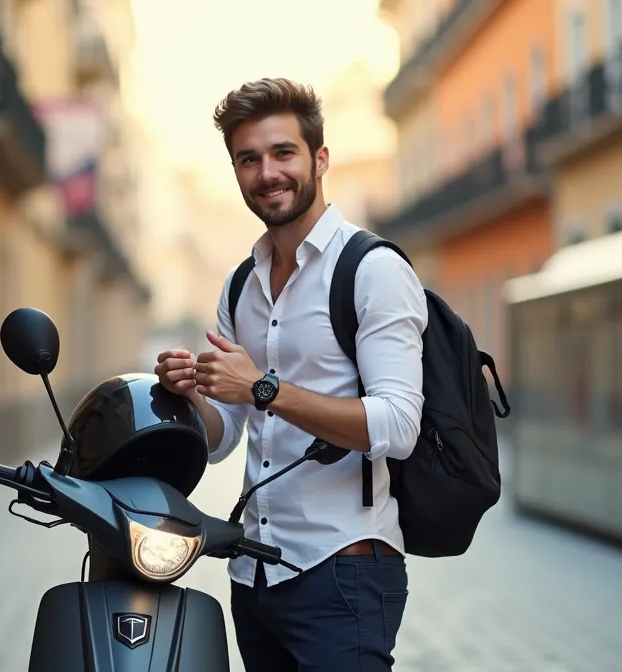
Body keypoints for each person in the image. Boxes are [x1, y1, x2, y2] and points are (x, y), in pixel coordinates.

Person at [152, 77, 428, 670]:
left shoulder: (372, 271)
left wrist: (262, 387)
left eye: (283, 153)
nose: (267, 173)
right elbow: (226, 435)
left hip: (344, 574)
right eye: (248, 159)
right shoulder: (240, 284)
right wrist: (193, 395)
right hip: (254, 574)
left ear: (319, 158)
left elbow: (399, 425)